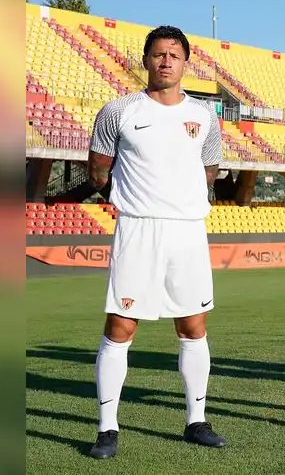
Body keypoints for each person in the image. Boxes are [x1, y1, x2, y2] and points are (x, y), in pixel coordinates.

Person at [86, 25, 227, 459]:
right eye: (158, 54)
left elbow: (209, 172)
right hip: (138, 229)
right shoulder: (118, 110)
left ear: (186, 63)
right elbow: (98, 171)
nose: (166, 61)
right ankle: (107, 429)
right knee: (120, 327)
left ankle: (196, 420)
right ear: (145, 60)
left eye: (174, 54)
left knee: (193, 327)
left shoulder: (205, 115)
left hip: (187, 231)